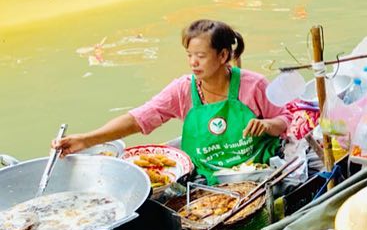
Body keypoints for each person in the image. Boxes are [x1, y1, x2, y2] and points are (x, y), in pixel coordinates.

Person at [54, 20, 288, 182]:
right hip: (206, 177)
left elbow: (288, 119)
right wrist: (86, 140)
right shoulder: (182, 90)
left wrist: (268, 125)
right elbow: (139, 119)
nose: (193, 63)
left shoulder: (253, 85)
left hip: (255, 172)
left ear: (223, 55)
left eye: (201, 56)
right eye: (189, 55)